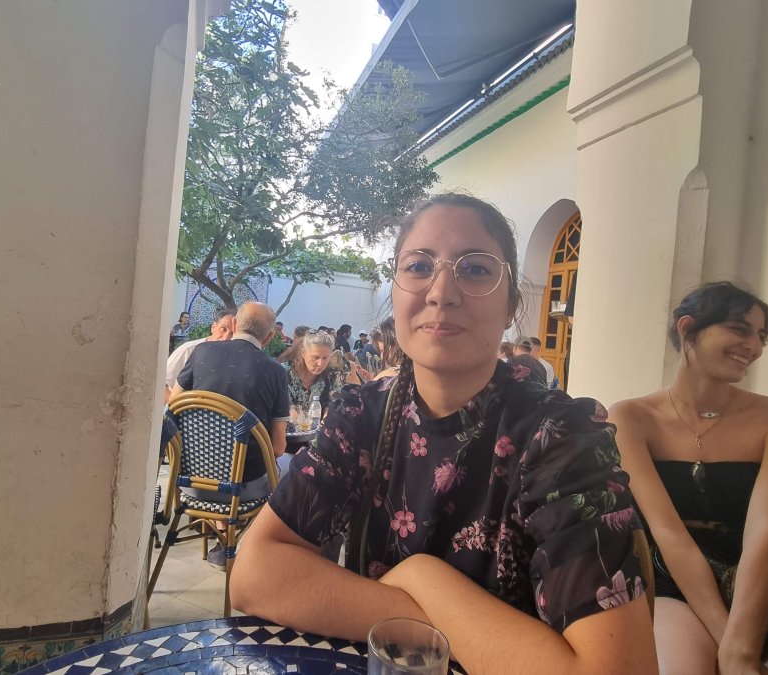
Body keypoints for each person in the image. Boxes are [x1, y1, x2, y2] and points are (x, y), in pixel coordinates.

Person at [231, 193, 656, 674]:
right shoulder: (361, 414)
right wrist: (433, 619)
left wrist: (421, 576)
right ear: (395, 293)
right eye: (418, 266)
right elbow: (254, 574)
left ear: (511, 306)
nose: (441, 292)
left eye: (475, 269)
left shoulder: (562, 437)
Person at [609, 282, 768, 675]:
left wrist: (743, 649)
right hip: (674, 575)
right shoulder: (631, 417)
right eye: (739, 329)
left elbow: (766, 536)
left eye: (761, 336)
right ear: (688, 328)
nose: (754, 347)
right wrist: (732, 648)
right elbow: (668, 533)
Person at [170, 302, 291, 567]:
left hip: (191, 484)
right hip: (242, 490)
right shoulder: (275, 372)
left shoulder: (201, 352)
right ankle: (250, 549)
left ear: (235, 324)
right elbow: (278, 447)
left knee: (228, 461)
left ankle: (222, 540)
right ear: (269, 337)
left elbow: (174, 406)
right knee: (287, 466)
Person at [163, 308, 236, 403]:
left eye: (232, 333)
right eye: (223, 329)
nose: (226, 337)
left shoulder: (236, 359)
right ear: (213, 327)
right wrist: (177, 407)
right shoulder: (188, 350)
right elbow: (163, 385)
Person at [282, 330, 363, 415]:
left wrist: (328, 413)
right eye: (315, 357)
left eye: (325, 358)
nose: (320, 364)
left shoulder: (332, 376)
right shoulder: (283, 374)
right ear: (303, 353)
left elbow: (334, 406)